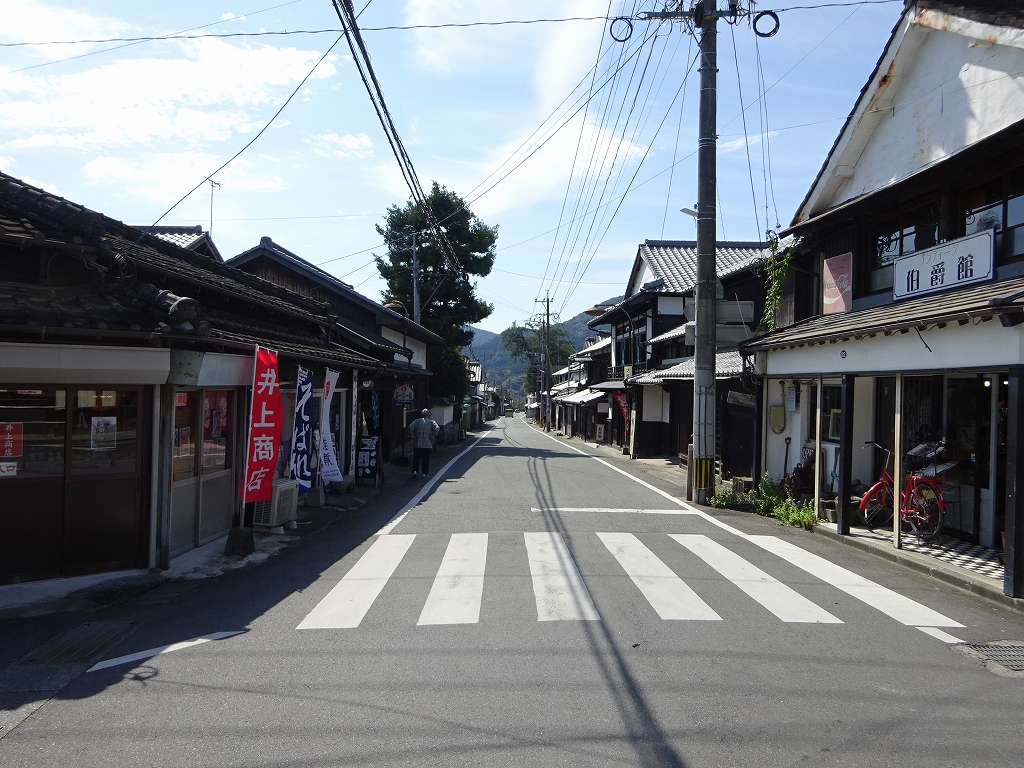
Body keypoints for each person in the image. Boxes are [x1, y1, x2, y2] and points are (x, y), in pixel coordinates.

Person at [409, 408, 439, 478]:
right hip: (427, 444)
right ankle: (425, 473)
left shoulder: (417, 421)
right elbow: (437, 428)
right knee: (425, 459)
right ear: (428, 415)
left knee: (416, 458)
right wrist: (433, 435)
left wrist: (412, 434)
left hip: (417, 443)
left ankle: (415, 471)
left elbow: (411, 426)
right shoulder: (431, 422)